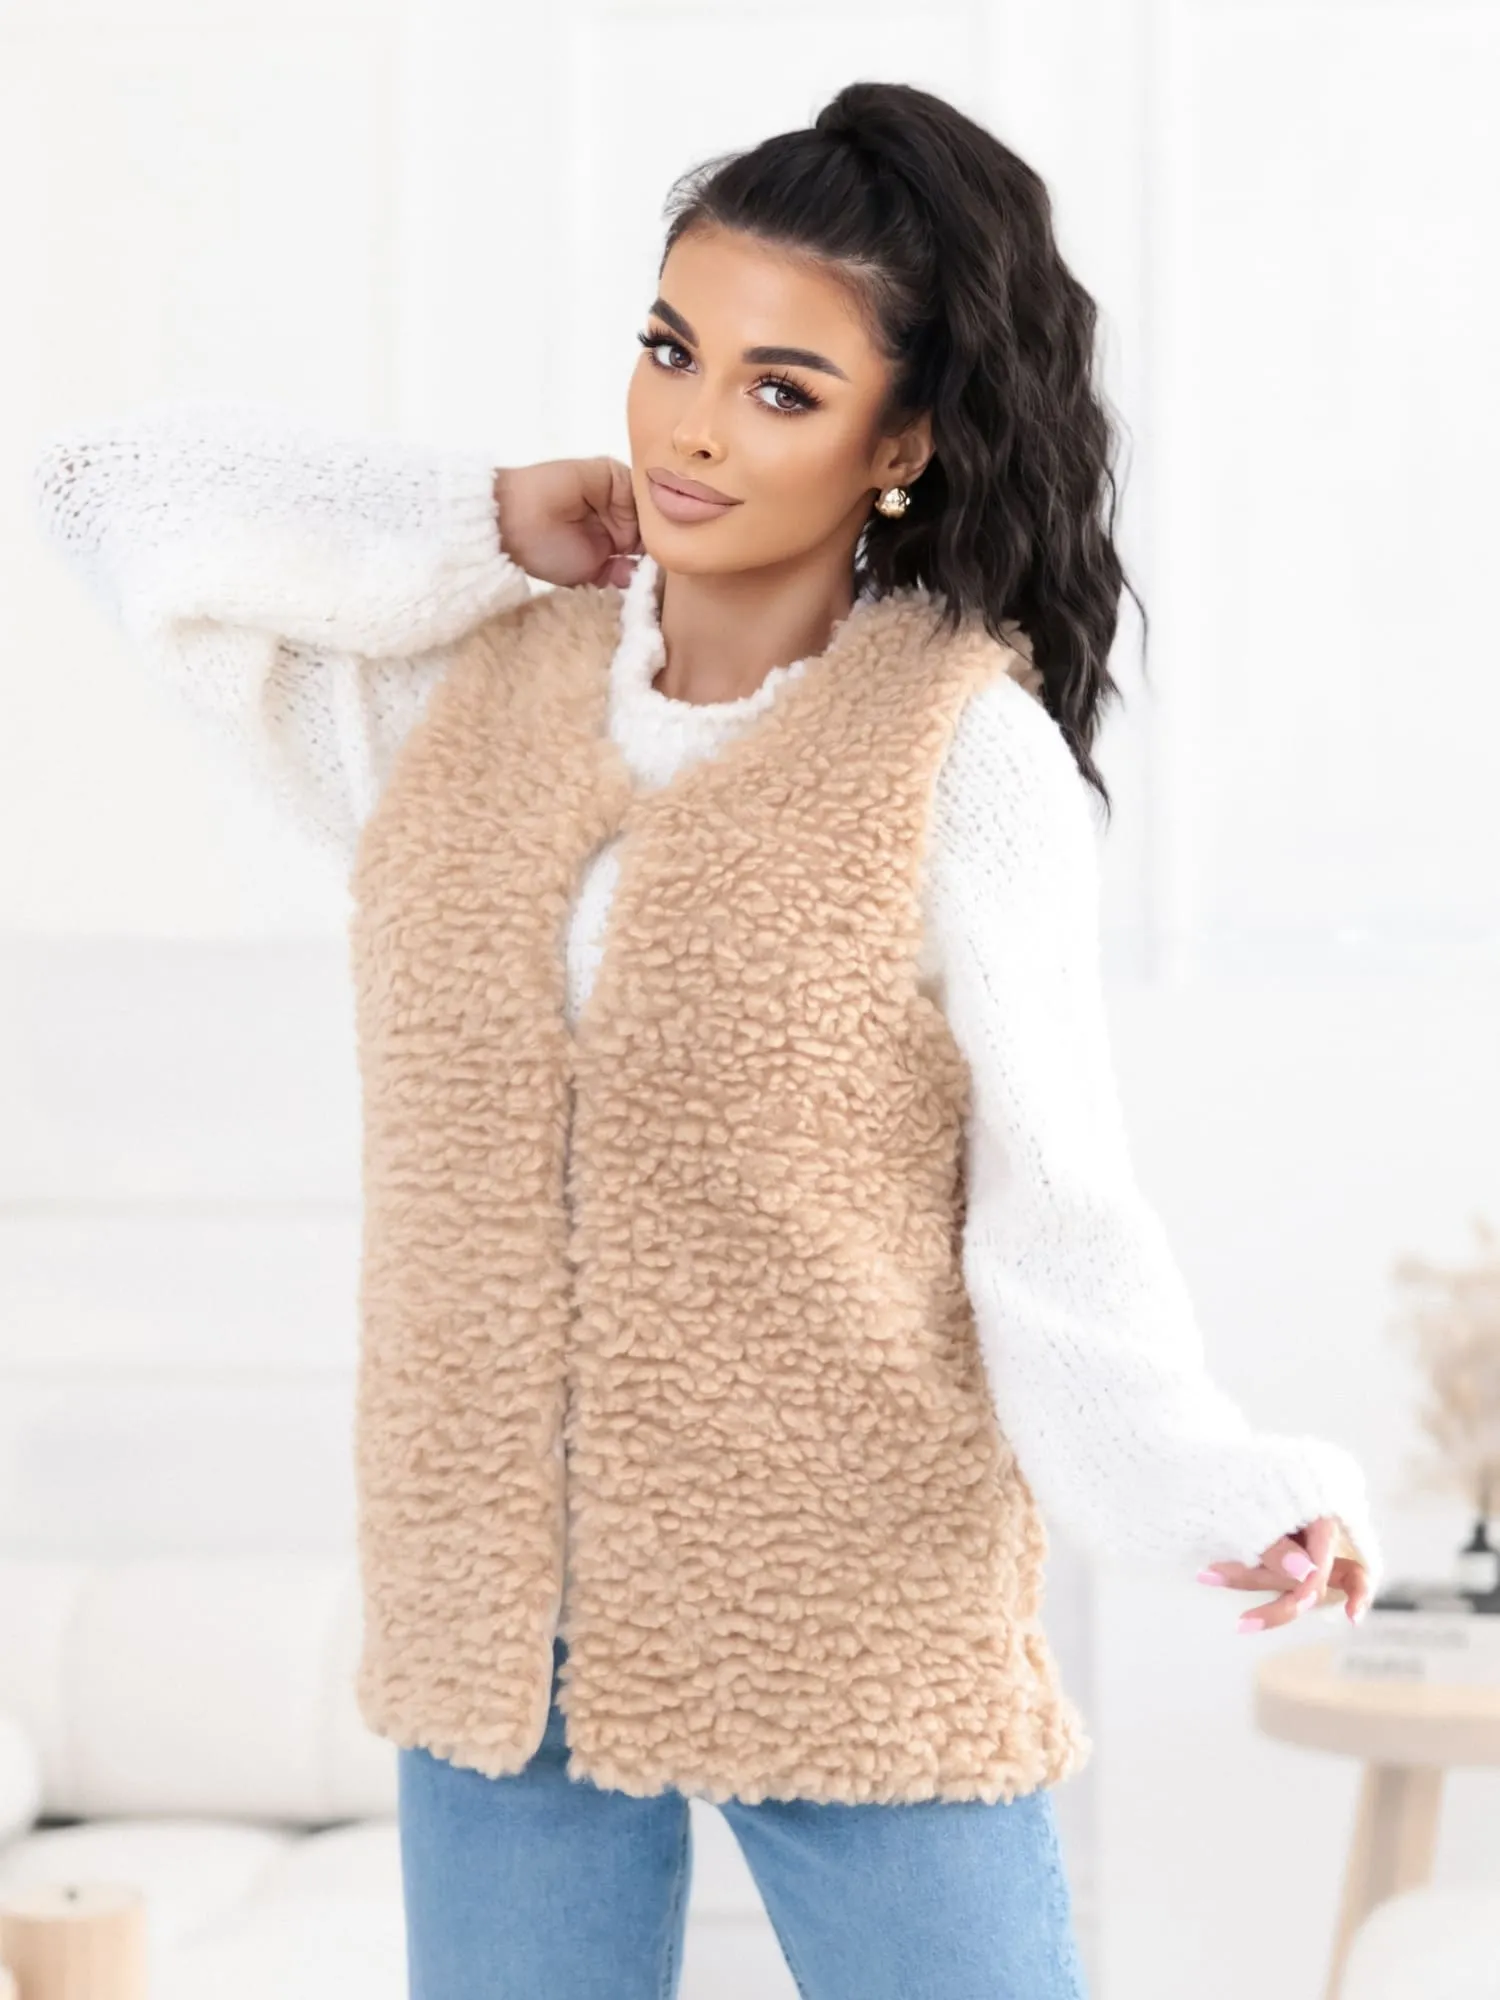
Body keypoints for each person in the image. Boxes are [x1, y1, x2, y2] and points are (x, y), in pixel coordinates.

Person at [32, 77, 1381, 2000]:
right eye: (672, 349)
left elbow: (1053, 1202)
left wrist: (1214, 1483)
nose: (689, 425)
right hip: (490, 1605)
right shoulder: (455, 703)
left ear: (899, 442)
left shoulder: (957, 754)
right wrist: (479, 517)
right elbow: (111, 498)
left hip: (842, 1587)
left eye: (781, 388)